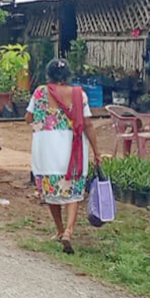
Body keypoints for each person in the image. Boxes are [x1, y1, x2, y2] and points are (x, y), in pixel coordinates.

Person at [26, 58, 101, 254]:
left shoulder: (40, 92)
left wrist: (40, 126)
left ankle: (59, 230)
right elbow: (88, 125)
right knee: (72, 192)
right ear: (68, 75)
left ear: (48, 75)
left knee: (52, 192)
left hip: (47, 150)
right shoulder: (79, 94)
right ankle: (68, 230)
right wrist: (96, 151)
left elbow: (28, 118)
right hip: (72, 148)